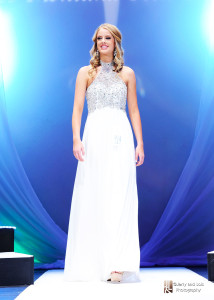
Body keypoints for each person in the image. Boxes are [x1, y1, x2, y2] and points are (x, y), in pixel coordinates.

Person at [64, 23, 145, 283]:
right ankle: (93, 260)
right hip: (95, 136)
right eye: (99, 38)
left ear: (116, 41)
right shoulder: (85, 72)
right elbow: (77, 109)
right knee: (95, 193)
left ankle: (117, 264)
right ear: (95, 42)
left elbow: (133, 110)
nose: (103, 42)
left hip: (121, 137)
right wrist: (76, 138)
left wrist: (140, 143)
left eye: (107, 38)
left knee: (119, 195)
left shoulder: (128, 74)